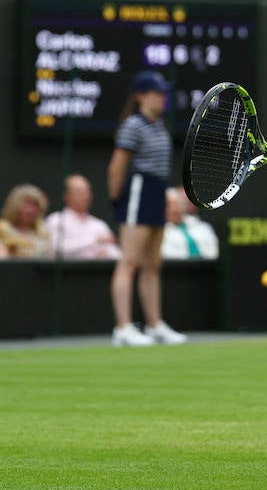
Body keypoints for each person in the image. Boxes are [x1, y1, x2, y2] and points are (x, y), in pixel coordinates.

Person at [107, 71, 189, 347]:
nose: (162, 98)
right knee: (129, 261)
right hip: (139, 191)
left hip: (156, 192)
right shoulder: (133, 125)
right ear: (141, 95)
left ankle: (154, 325)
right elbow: (117, 166)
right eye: (157, 93)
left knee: (153, 263)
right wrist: (117, 199)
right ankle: (123, 328)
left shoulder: (158, 125)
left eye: (164, 93)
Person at [44, 174, 121, 261]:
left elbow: (115, 252)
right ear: (67, 196)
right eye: (79, 192)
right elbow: (56, 249)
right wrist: (94, 241)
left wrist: (109, 255)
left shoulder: (99, 225)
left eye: (87, 191)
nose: (85, 196)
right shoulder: (56, 220)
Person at [0, 183, 52, 258]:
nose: (31, 210)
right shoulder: (3, 226)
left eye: (35, 205)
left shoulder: (43, 228)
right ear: (15, 205)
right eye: (27, 204)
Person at [161, 187, 220, 260]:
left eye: (178, 204)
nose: (174, 209)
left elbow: (214, 252)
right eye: (169, 205)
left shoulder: (204, 227)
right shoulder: (158, 231)